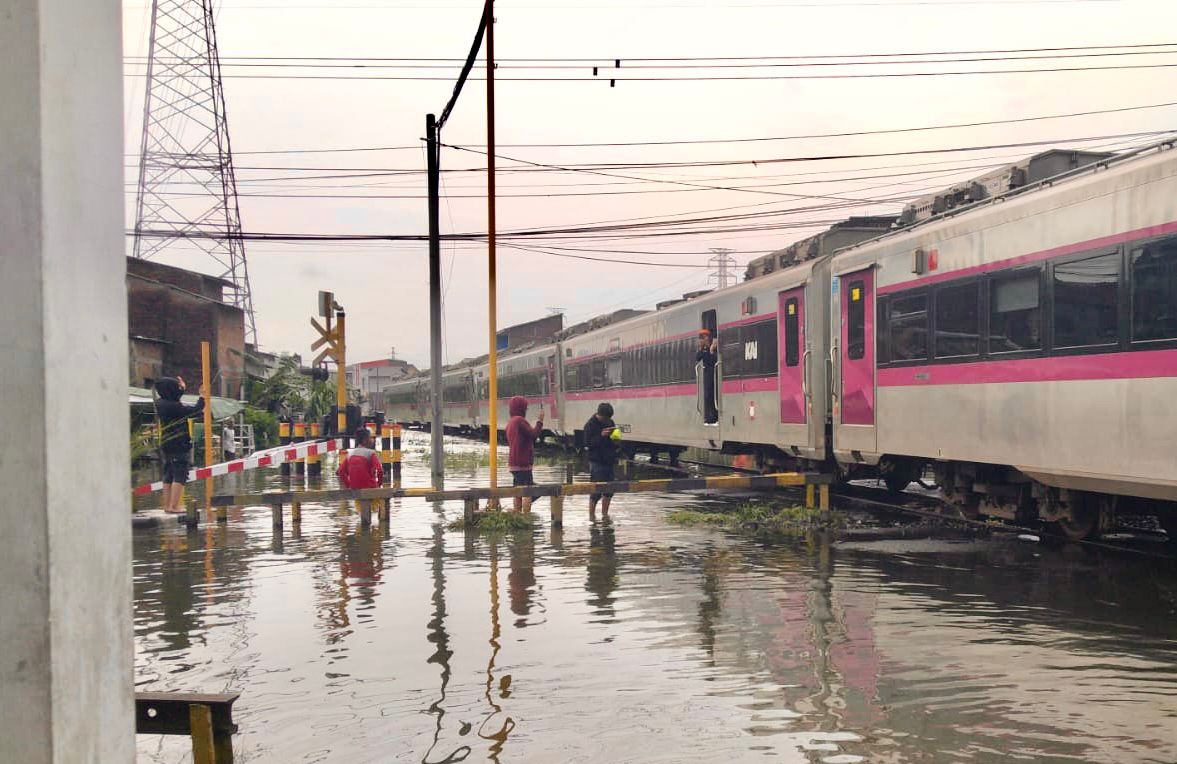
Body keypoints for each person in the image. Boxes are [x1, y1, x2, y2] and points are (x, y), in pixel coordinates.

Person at [154, 376, 205, 514]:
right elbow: (194, 410)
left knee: (168, 474)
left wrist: (182, 389)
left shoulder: (161, 403)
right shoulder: (174, 406)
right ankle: (174, 506)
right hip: (178, 444)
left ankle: (167, 505)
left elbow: (174, 398)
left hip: (166, 443)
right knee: (180, 474)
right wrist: (202, 397)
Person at [505, 395, 544, 512]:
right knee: (529, 491)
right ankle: (526, 516)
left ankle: (517, 513)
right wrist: (540, 421)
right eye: (525, 408)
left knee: (518, 490)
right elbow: (534, 435)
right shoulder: (519, 421)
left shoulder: (511, 422)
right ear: (521, 408)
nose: (526, 411)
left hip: (514, 464)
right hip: (523, 463)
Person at [584, 402, 619, 521]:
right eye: (605, 418)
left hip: (609, 460)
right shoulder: (590, 425)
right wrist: (601, 435)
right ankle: (591, 516)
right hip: (596, 461)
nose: (607, 421)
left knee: (609, 490)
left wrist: (615, 438)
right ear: (600, 415)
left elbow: (614, 442)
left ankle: (605, 514)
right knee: (596, 490)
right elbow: (588, 443)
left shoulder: (610, 423)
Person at [696, 329, 719, 424]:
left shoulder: (714, 347)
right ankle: (709, 416)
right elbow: (697, 358)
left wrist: (712, 350)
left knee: (714, 395)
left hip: (714, 374)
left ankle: (715, 416)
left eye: (704, 337)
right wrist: (701, 348)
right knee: (707, 396)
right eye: (702, 337)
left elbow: (715, 359)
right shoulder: (704, 349)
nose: (703, 339)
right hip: (707, 375)